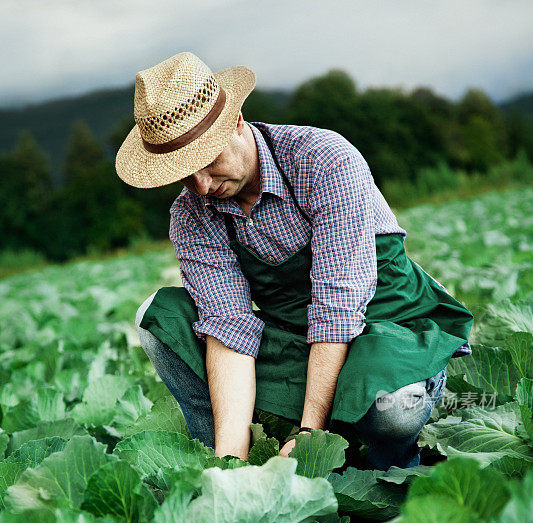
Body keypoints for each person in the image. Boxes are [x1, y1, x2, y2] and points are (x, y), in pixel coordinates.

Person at [116, 52, 474, 470]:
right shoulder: (191, 213)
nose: (201, 185)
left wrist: (311, 435)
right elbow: (229, 329)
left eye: (208, 162)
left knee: (392, 410)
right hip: (296, 339)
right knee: (158, 318)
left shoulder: (322, 160)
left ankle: (391, 464)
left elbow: (336, 309)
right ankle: (217, 452)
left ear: (236, 122)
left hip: (386, 327)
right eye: (183, 174)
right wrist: (231, 467)